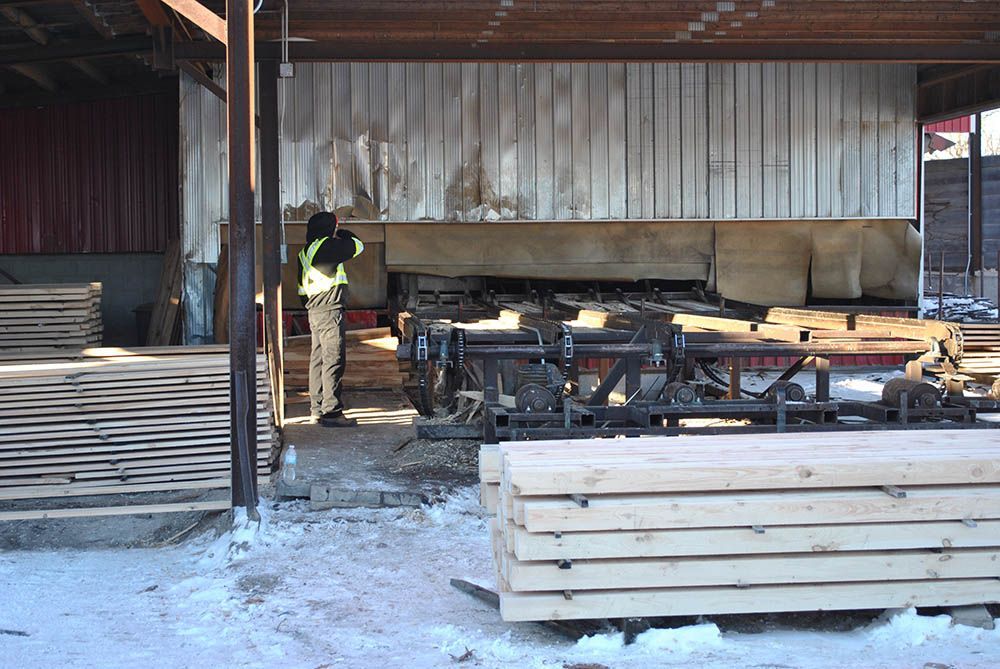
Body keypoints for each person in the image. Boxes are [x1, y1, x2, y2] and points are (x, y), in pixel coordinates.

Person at [297, 212, 365, 427]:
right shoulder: (328, 246)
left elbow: (301, 290)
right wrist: (342, 232)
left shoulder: (305, 252)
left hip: (314, 311)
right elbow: (357, 245)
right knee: (333, 360)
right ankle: (332, 413)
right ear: (330, 228)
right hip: (329, 310)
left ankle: (316, 409)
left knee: (317, 361)